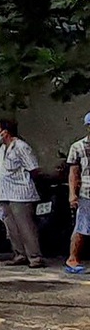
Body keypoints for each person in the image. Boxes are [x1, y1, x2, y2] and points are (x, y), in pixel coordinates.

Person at [0, 118, 45, 268]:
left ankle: (35, 257)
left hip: (21, 193)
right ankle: (19, 254)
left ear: (5, 132)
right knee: (11, 227)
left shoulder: (21, 147)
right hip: (5, 193)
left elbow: (33, 168)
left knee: (25, 226)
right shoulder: (2, 149)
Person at [70, 114, 90, 274]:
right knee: (81, 227)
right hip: (86, 192)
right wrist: (72, 194)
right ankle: (72, 259)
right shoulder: (78, 147)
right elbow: (73, 173)